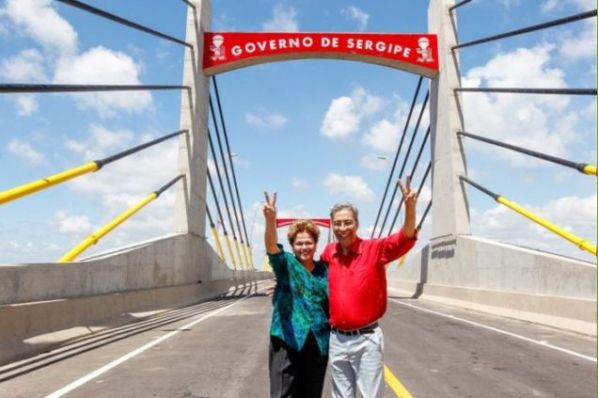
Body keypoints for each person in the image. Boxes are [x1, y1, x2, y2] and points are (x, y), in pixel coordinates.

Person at [321, 177, 418, 398]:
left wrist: (409, 208)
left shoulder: (375, 249)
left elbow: (404, 238)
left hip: (366, 339)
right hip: (336, 339)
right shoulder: (329, 253)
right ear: (332, 225)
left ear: (356, 224)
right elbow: (311, 272)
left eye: (347, 222)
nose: (342, 227)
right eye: (337, 223)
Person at [263, 191, 330, 398]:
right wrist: (271, 221)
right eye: (299, 243)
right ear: (292, 246)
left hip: (317, 342)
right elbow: (271, 247)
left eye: (308, 242)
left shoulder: (325, 270)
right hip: (287, 340)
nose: (304, 247)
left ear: (316, 244)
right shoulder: (286, 265)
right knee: (283, 394)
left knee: (311, 394)